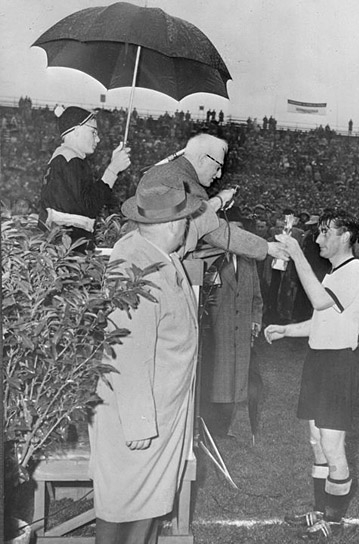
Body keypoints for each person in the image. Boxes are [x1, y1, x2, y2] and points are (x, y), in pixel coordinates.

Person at [88, 169, 204, 544]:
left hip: (161, 408)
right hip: (139, 415)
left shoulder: (156, 251)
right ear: (173, 224)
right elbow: (126, 349)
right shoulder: (135, 262)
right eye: (186, 218)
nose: (189, 225)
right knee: (126, 514)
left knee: (146, 510)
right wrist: (139, 422)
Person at [264, 208, 359, 539]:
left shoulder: (356, 271)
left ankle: (334, 523)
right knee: (316, 442)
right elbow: (321, 321)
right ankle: (320, 511)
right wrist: (286, 330)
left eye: (326, 232)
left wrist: (297, 254)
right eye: (319, 232)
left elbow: (321, 303)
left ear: (345, 237)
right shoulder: (334, 273)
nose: (320, 238)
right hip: (319, 361)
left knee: (332, 444)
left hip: (338, 365)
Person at [145, 133, 287, 263]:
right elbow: (217, 231)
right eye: (218, 167)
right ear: (202, 159)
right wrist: (266, 247)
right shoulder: (188, 185)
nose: (218, 175)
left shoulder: (162, 171)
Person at [203, 206, 263, 437]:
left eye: (240, 234)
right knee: (216, 380)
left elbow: (257, 297)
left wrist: (256, 321)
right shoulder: (210, 259)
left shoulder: (249, 262)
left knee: (242, 382)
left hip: (242, 334)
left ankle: (236, 427)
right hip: (218, 332)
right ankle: (213, 427)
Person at [39, 106, 131, 251]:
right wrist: (113, 169)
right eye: (93, 132)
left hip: (62, 243)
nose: (98, 139)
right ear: (76, 131)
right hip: (68, 249)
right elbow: (90, 206)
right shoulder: (71, 161)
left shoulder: (63, 159)